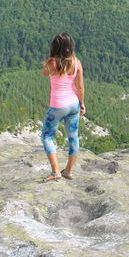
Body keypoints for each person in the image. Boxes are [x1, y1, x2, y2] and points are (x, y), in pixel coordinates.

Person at [40, 32, 86, 182]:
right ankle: (68, 171)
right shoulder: (77, 62)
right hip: (73, 105)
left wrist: (50, 60)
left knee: (47, 136)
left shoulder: (51, 63)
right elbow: (80, 87)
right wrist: (82, 104)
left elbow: (44, 74)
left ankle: (55, 172)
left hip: (57, 106)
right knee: (73, 137)